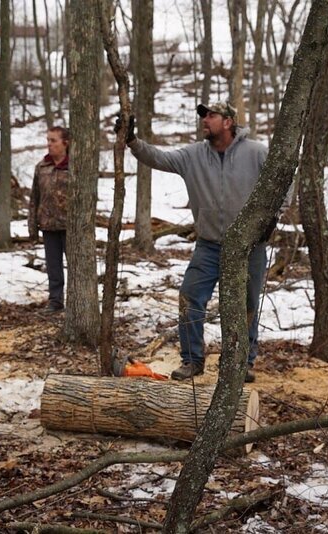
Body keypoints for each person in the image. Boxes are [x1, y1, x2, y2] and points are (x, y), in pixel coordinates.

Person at [120, 102, 272, 383]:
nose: (204, 120)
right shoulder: (193, 155)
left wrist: (270, 217)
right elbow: (159, 158)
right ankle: (192, 360)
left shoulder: (257, 153)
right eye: (203, 115)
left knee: (247, 304)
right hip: (209, 245)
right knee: (190, 298)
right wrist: (132, 141)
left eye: (211, 115)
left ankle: (241, 362)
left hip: (250, 246)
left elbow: (284, 180)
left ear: (228, 122)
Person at [28, 126, 71, 312]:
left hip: (71, 226)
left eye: (53, 140)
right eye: (48, 140)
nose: (49, 144)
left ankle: (78, 302)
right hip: (48, 225)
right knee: (53, 268)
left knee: (76, 267)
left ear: (65, 143)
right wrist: (33, 228)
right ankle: (55, 301)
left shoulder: (74, 166)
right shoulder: (42, 167)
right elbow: (34, 198)